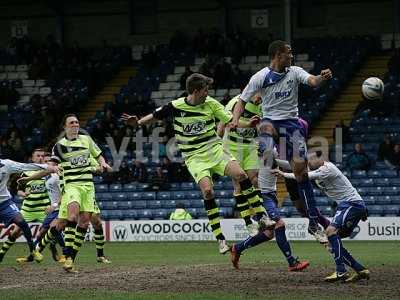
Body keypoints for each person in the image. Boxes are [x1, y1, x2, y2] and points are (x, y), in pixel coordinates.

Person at [122, 73, 264, 254]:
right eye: (205, 90)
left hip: (214, 149)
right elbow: (155, 115)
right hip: (194, 157)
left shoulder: (211, 103)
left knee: (241, 175)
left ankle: (260, 216)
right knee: (208, 191)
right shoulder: (176, 106)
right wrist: (138, 122)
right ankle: (220, 239)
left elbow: (230, 120)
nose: (208, 93)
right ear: (196, 91)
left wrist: (248, 125)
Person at [230, 39, 332, 242]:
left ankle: (313, 223)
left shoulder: (294, 71)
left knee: (302, 174)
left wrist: (321, 78)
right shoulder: (260, 77)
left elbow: (311, 81)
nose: (292, 56)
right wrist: (234, 120)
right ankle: (267, 163)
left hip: (291, 124)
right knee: (266, 131)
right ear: (278, 55)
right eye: (289, 52)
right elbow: (241, 100)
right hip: (270, 122)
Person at [273, 151, 370, 282]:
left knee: (330, 231)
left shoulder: (327, 168)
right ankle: (360, 269)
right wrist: (277, 164)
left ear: (321, 158)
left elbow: (302, 175)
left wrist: (283, 173)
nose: (308, 162)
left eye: (311, 159)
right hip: (351, 205)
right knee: (331, 240)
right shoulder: (316, 168)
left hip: (351, 204)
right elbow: (294, 167)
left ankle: (341, 271)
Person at [52, 114, 112, 272]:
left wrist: (103, 163)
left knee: (85, 221)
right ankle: (66, 253)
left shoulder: (86, 139)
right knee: (72, 216)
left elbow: (98, 155)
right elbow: (52, 163)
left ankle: (71, 258)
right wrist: (54, 167)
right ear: (65, 127)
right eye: (71, 122)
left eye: (77, 122)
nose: (75, 124)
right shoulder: (59, 146)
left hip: (88, 187)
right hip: (72, 186)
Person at [229, 157, 310, 272]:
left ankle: (237, 248)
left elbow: (288, 165)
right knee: (279, 224)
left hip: (271, 195)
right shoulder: (255, 156)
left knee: (269, 233)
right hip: (262, 196)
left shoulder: (271, 155)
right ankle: (292, 262)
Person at [217, 93, 275, 236]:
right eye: (258, 96)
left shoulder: (261, 106)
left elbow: (259, 126)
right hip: (232, 146)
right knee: (238, 184)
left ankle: (261, 217)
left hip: (249, 146)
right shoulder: (237, 102)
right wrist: (218, 137)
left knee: (255, 180)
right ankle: (248, 222)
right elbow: (225, 121)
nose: (259, 99)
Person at [0, 157, 58, 263]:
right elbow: (17, 189)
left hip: (41, 208)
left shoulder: (47, 174)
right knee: (15, 232)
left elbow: (24, 166)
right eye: (38, 155)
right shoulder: (25, 174)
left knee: (54, 228)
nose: (40, 158)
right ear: (33, 156)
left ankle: (56, 252)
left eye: (42, 156)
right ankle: (2, 253)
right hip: (28, 208)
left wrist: (53, 205)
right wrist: (23, 193)